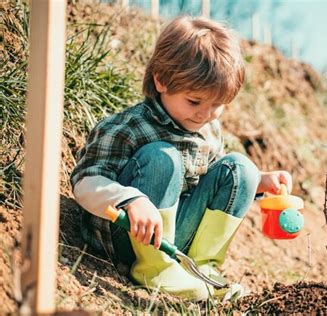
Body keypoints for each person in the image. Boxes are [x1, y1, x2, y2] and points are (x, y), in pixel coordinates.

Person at [70, 15, 292, 301]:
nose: (206, 114)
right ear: (161, 81)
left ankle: (200, 267)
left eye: (218, 105)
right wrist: (129, 199)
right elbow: (84, 180)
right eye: (195, 101)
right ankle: (153, 269)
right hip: (126, 236)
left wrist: (260, 182)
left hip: (172, 238)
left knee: (240, 168)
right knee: (162, 158)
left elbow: (214, 179)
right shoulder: (129, 127)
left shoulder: (208, 129)